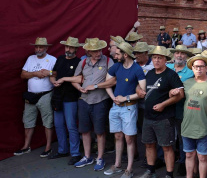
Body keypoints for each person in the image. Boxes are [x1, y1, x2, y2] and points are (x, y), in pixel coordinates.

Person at [57, 38, 115, 169]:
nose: (98, 53)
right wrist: (79, 88)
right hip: (84, 100)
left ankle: (100, 158)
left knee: (100, 131)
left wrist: (95, 86)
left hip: (100, 100)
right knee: (84, 130)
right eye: (95, 51)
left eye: (99, 50)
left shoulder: (107, 61)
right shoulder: (83, 62)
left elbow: (112, 81)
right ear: (88, 51)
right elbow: (76, 78)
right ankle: (87, 157)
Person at [137, 46, 184, 178]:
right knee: (149, 144)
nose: (156, 60)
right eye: (155, 57)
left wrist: (164, 104)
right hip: (148, 117)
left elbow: (180, 94)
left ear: (165, 60)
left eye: (160, 58)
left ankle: (169, 174)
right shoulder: (150, 73)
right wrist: (138, 91)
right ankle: (150, 171)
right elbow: (139, 85)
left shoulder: (171, 74)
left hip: (164, 118)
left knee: (167, 147)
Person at [170, 55, 207, 178]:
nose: (198, 69)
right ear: (192, 68)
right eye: (196, 66)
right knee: (189, 155)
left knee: (202, 157)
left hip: (205, 125)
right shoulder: (186, 83)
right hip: (188, 125)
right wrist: (171, 92)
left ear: (206, 68)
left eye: (201, 66)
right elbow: (175, 96)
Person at [103, 42, 146, 178]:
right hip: (116, 107)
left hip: (129, 107)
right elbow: (107, 83)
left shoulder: (137, 69)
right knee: (118, 136)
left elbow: (142, 91)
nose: (115, 56)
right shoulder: (116, 66)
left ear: (125, 55)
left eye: (117, 54)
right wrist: (113, 97)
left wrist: (125, 98)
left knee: (129, 139)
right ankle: (117, 165)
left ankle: (129, 168)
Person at [14, 37, 56, 157]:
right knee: (28, 121)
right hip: (31, 94)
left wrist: (49, 73)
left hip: (45, 94)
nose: (38, 49)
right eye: (36, 47)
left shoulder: (52, 59)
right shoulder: (30, 59)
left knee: (47, 122)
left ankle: (48, 147)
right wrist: (35, 73)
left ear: (46, 48)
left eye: (41, 47)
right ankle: (26, 146)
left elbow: (58, 72)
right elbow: (23, 74)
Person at [48, 37, 82, 165]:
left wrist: (63, 80)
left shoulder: (79, 62)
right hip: (58, 96)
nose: (68, 49)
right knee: (58, 124)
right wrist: (53, 80)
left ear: (76, 49)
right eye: (67, 47)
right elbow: (54, 72)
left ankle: (75, 153)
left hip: (70, 97)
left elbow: (79, 78)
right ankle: (62, 150)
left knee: (71, 125)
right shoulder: (60, 59)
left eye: (71, 47)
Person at [168, 45, 195, 176]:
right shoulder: (167, 68)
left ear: (186, 56)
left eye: (182, 54)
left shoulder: (190, 72)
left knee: (181, 137)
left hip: (182, 109)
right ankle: (164, 160)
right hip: (166, 109)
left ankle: (183, 162)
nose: (179, 55)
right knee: (166, 136)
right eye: (177, 53)